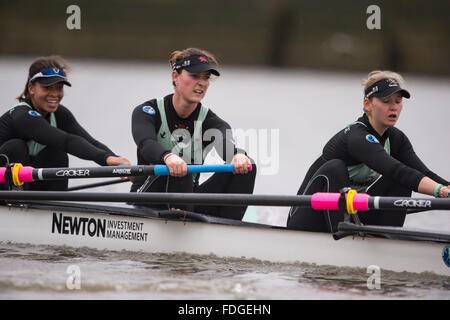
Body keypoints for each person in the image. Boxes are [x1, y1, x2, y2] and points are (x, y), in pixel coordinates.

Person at [287, 70, 449, 233]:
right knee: (334, 167)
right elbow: (396, 170)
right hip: (308, 217)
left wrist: (446, 188)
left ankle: (388, 242)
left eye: (398, 101)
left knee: (402, 180)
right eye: (386, 101)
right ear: (367, 104)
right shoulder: (356, 137)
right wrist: (440, 192)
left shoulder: (396, 140)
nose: (393, 107)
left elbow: (424, 174)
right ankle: (342, 239)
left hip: (349, 214)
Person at [131, 47, 256, 220]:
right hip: (147, 198)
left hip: (187, 199)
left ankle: (229, 231)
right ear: (175, 77)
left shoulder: (211, 122)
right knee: (180, 166)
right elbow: (146, 143)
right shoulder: (147, 112)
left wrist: (237, 155)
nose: (202, 83)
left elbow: (226, 146)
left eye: (206, 78)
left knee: (247, 168)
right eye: (195, 76)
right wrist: (168, 157)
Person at [0, 55, 130, 191]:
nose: (55, 94)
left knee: (56, 154)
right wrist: (105, 159)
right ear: (31, 88)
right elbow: (66, 141)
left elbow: (91, 142)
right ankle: (15, 202)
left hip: (26, 183)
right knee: (15, 147)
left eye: (59, 87)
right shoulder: (21, 115)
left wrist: (118, 162)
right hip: (3, 183)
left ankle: (49, 206)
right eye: (47, 87)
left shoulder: (60, 114)